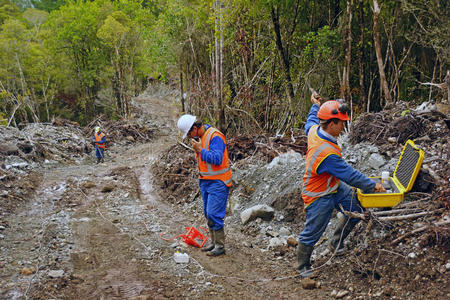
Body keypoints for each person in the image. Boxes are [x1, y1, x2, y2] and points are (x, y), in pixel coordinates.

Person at [297, 93, 386, 277]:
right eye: (342, 123)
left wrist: (315, 105)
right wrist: (372, 185)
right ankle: (303, 266)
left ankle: (336, 243)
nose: (344, 126)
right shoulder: (326, 153)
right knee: (313, 231)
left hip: (332, 185)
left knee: (354, 208)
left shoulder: (315, 130)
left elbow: (311, 120)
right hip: (318, 194)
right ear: (331, 124)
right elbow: (349, 175)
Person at [177, 114, 232, 256]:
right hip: (206, 181)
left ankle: (220, 246)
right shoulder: (200, 137)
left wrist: (200, 150)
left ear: (195, 128)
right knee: (208, 213)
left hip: (219, 182)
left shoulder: (215, 136)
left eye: (189, 133)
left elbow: (217, 159)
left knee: (214, 214)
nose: (189, 137)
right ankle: (214, 243)